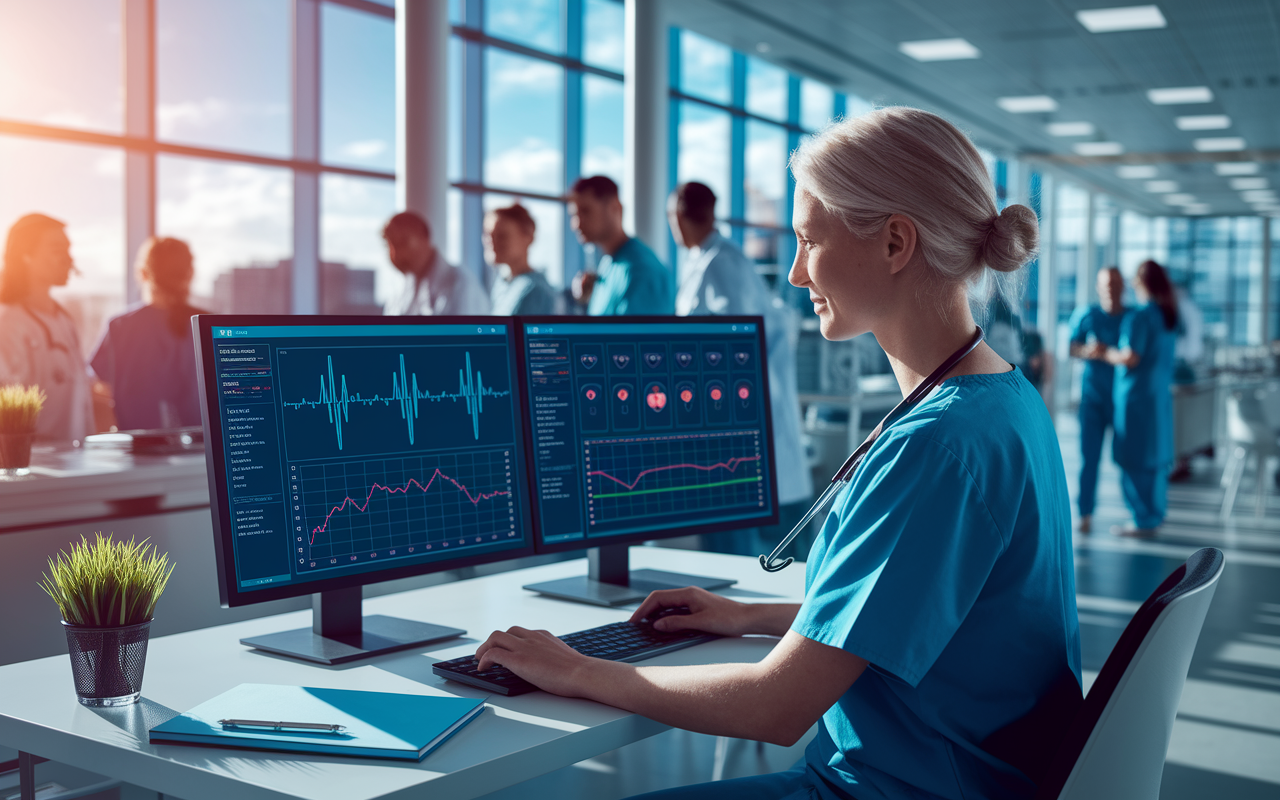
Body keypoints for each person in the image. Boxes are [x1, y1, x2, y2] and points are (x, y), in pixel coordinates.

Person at [474, 108, 1080, 800]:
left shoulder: (939, 449)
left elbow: (776, 706)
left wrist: (577, 667)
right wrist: (749, 617)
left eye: (806, 241)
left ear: (894, 244)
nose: (793, 274)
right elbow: (918, 613)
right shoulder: (1003, 402)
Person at [667, 181, 814, 554]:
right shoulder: (705, 260)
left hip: (741, 425)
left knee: (747, 552)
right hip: (729, 424)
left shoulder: (723, 262)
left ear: (680, 216)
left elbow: (737, 345)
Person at [89, 237, 207, 430]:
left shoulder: (121, 326)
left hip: (139, 445)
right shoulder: (210, 325)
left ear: (142, 273)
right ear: (190, 274)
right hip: (201, 445)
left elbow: (99, 386)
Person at [0, 213, 96, 444]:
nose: (68, 260)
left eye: (68, 250)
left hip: (74, 460)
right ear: (26, 255)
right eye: (56, 250)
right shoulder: (8, 322)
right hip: (31, 465)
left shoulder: (64, 319)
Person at [1105, 260, 1178, 537]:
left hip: (1136, 400)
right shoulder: (1167, 316)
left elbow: (1130, 357)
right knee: (1156, 458)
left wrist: (1105, 352)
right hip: (1157, 399)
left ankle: (1142, 519)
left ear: (1139, 283)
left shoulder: (1139, 317)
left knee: (1133, 458)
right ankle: (1154, 514)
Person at [1066, 267, 1126, 533]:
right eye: (1106, 284)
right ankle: (1085, 513)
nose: (1111, 289)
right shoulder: (1087, 314)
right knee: (1089, 457)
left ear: (1123, 287)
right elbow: (1071, 348)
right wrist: (1091, 351)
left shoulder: (1132, 317)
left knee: (1126, 456)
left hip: (1122, 399)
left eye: (1115, 284)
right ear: (1098, 287)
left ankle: (1134, 513)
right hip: (1092, 399)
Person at [569, 176, 672, 315]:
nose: (576, 224)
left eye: (586, 211)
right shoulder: (608, 263)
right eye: (574, 215)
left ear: (615, 208)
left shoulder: (642, 273)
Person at [381, 211, 489, 316]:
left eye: (402, 242)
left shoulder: (460, 286)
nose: (394, 254)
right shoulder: (400, 287)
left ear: (425, 238)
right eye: (388, 245)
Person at [484, 204, 559, 315]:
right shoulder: (502, 283)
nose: (491, 242)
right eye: (488, 235)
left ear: (528, 237)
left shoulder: (535, 291)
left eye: (502, 236)